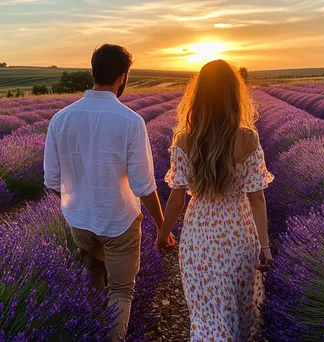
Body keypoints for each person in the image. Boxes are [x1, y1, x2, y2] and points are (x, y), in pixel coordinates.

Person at [44, 44, 174, 341]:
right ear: (122, 76)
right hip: (119, 222)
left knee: (93, 275)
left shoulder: (61, 119)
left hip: (80, 220)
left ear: (93, 71)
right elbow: (143, 185)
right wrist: (161, 227)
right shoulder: (130, 120)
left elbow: (52, 180)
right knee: (121, 291)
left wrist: (77, 204)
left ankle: (92, 334)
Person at [157, 59, 274, 341]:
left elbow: (177, 199)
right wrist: (265, 245)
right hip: (239, 233)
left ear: (198, 96)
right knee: (238, 311)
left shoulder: (185, 140)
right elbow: (256, 198)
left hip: (201, 234)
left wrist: (163, 234)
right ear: (235, 96)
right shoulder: (248, 139)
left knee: (207, 314)